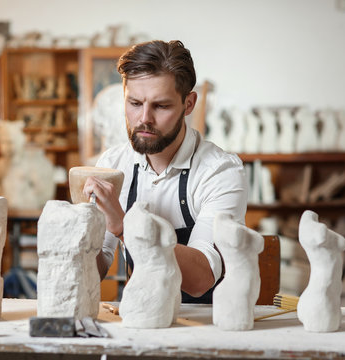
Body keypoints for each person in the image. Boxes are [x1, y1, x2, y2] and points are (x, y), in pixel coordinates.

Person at [83, 40, 247, 303]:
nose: (144, 118)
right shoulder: (113, 164)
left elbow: (201, 278)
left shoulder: (220, 172)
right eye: (134, 103)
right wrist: (77, 236)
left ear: (189, 104)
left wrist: (125, 227)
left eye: (161, 106)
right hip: (140, 317)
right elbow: (97, 265)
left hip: (207, 323)